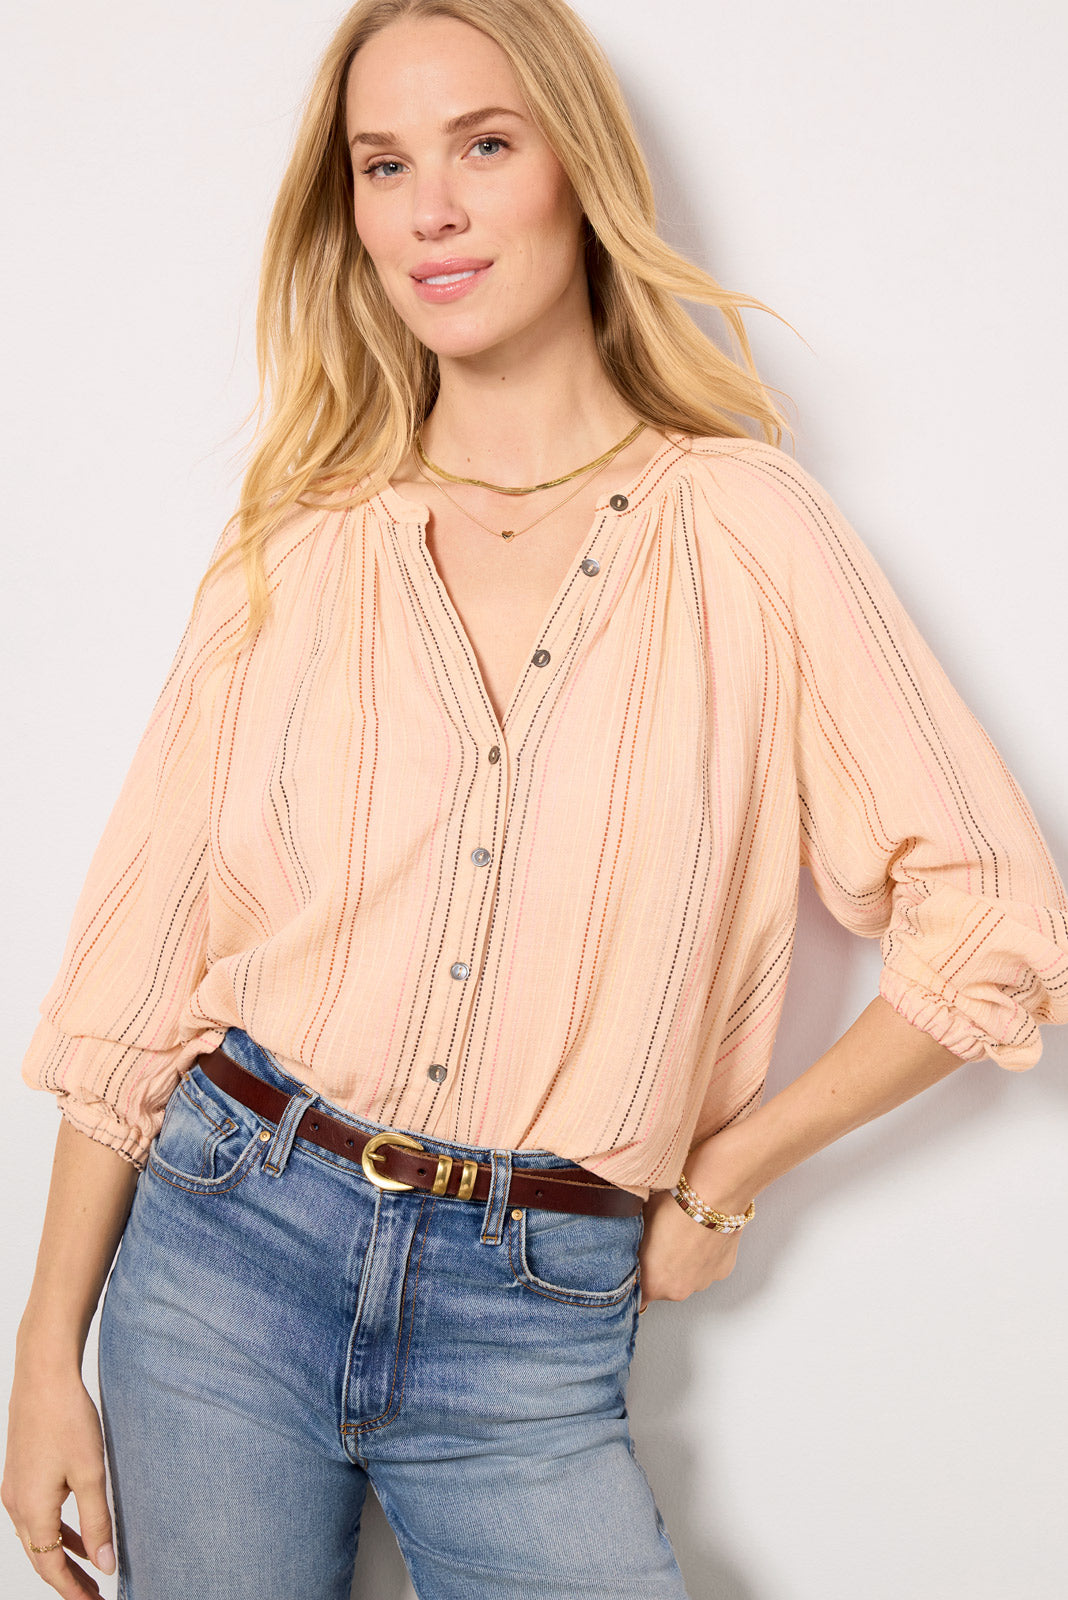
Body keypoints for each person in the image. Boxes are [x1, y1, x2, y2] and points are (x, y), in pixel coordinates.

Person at [4, 1, 1067, 1596]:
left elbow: (994, 912)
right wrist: (43, 1356)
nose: (429, 209)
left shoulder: (747, 531)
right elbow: (143, 962)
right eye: (383, 164)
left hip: (532, 1315)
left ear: (578, 169)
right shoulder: (301, 538)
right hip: (223, 1252)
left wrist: (730, 1169)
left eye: (483, 146)